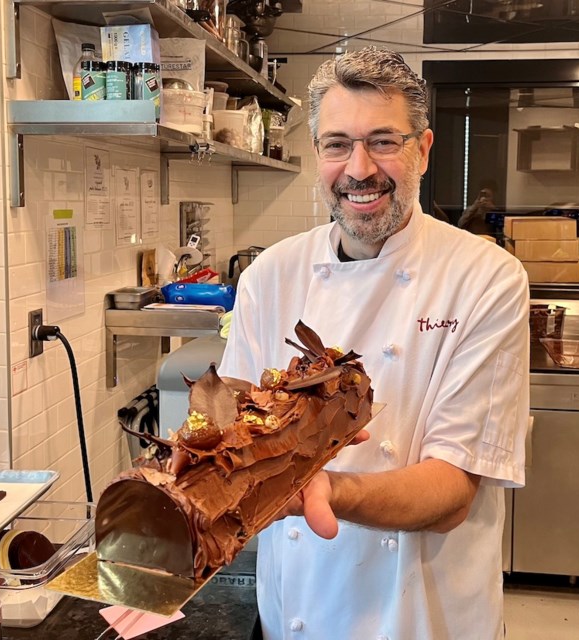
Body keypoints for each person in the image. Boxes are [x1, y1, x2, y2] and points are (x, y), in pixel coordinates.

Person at [218, 46, 530, 640]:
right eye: (338, 144)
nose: (359, 168)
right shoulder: (271, 276)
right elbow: (241, 430)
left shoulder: (485, 278)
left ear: (424, 149)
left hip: (420, 616)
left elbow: (453, 492)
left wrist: (322, 486)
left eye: (383, 141)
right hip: (294, 612)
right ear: (317, 154)